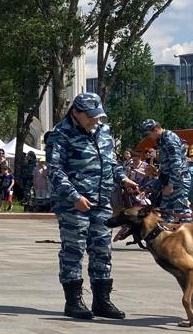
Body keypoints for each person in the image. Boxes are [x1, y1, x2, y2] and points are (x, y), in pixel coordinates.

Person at [47, 92, 140, 321]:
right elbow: (55, 171)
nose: (95, 121)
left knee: (102, 249)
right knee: (74, 249)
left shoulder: (103, 131)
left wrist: (123, 179)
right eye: (90, 116)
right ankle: (74, 301)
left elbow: (111, 162)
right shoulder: (60, 134)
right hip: (74, 204)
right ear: (75, 112)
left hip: (102, 201)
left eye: (98, 116)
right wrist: (74, 196)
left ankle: (102, 300)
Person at [141, 119, 189, 220]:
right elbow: (167, 161)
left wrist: (171, 185)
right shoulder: (161, 139)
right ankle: (169, 234)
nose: (148, 137)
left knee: (182, 211)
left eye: (149, 134)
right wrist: (158, 172)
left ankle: (190, 234)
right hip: (167, 180)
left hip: (178, 181)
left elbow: (176, 165)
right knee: (165, 211)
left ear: (156, 129)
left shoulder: (169, 139)